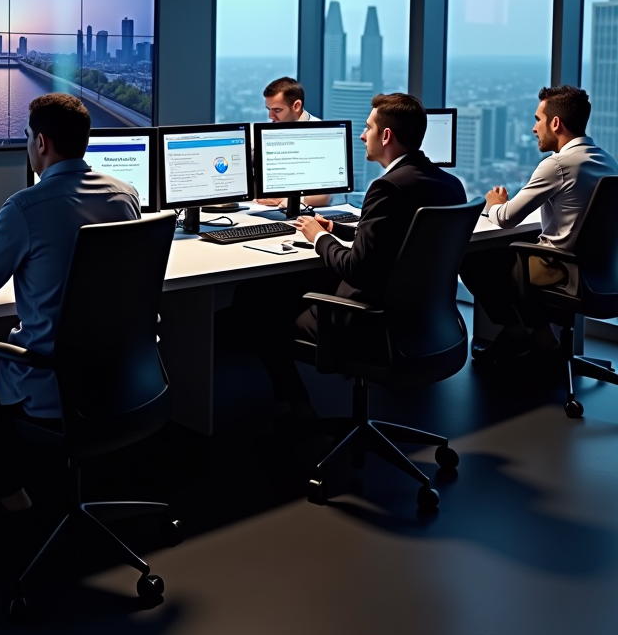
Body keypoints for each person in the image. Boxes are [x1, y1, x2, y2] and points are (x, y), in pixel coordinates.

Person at [0, 94, 140, 515]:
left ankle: (14, 500)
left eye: (26, 137)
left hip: (53, 378)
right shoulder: (125, 196)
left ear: (41, 143)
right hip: (119, 374)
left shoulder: (25, 207)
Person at [254, 93, 465, 414]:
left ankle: (298, 408)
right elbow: (399, 238)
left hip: (369, 320)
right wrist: (337, 230)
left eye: (368, 128)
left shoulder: (387, 187)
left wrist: (319, 237)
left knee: (257, 304)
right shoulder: (450, 185)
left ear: (386, 136)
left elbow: (357, 268)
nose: (363, 136)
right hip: (426, 322)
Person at [460, 85, 618, 364]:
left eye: (538, 120)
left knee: (472, 262)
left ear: (555, 123)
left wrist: (494, 203)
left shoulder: (557, 164)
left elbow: (508, 218)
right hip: (602, 271)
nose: (534, 129)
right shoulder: (608, 161)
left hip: (560, 268)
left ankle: (518, 334)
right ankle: (543, 335)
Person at [257, 76, 331, 208]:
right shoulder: (269, 133)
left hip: (315, 214)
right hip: (269, 210)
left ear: (296, 106)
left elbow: (325, 197)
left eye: (277, 110)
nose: (270, 117)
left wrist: (286, 199)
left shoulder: (322, 134)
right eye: (269, 110)